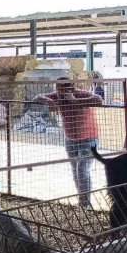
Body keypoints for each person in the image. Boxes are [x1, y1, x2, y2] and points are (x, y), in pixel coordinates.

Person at [34, 77, 103, 207]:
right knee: (75, 170)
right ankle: (82, 201)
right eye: (57, 89)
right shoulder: (57, 95)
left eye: (61, 89)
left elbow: (99, 100)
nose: (58, 92)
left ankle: (85, 204)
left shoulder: (81, 94)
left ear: (70, 88)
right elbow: (37, 97)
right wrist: (50, 101)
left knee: (82, 170)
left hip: (88, 138)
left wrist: (75, 101)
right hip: (70, 139)